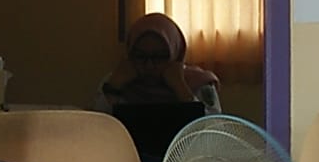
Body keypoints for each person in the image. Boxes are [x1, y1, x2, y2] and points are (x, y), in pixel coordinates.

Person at [91, 13, 222, 115]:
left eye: (159, 57)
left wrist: (182, 90)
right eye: (140, 56)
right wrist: (113, 88)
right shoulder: (116, 81)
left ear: (175, 55)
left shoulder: (198, 84)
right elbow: (96, 126)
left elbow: (213, 129)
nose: (149, 66)